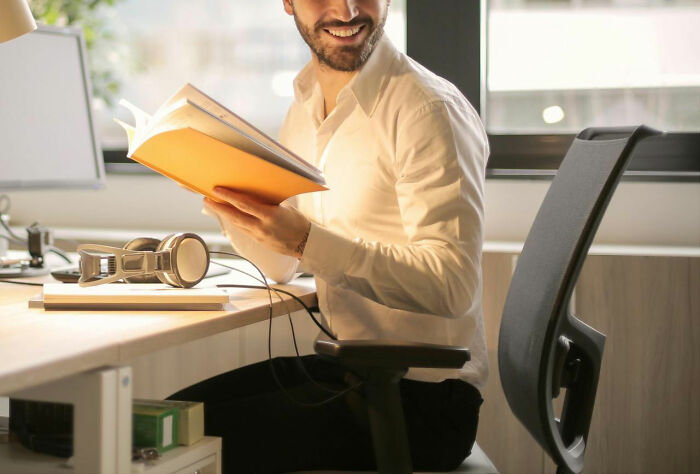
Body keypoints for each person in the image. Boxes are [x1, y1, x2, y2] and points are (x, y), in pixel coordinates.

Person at [169, 0, 490, 471]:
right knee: (160, 419)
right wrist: (225, 198)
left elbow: (452, 284)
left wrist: (306, 241)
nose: (345, 9)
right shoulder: (304, 106)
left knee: (173, 448)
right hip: (348, 373)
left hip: (424, 402)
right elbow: (281, 266)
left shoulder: (427, 109)